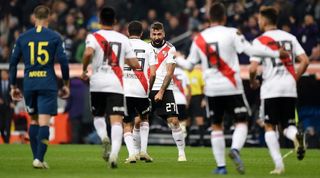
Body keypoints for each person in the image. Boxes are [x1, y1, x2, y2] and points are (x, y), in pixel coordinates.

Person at [175, 2, 289, 175]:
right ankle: (235, 149)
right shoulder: (232, 32)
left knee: (216, 126)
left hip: (212, 89)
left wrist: (175, 58)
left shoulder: (199, 38)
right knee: (242, 122)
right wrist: (275, 53)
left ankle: (221, 167)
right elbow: (251, 50)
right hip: (232, 86)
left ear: (208, 18)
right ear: (224, 17)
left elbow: (189, 66)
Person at [249, 6, 309, 174]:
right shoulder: (290, 38)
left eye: (260, 19)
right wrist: (294, 78)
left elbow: (253, 68)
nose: (259, 22)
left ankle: (279, 166)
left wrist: (253, 82)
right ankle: (296, 135)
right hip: (289, 88)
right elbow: (305, 61)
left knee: (269, 126)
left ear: (265, 20)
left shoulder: (259, 40)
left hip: (271, 88)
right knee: (288, 125)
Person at [9, 5, 70, 169]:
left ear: (33, 18)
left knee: (34, 121)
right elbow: (63, 61)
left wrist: (13, 86)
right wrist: (65, 83)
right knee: (44, 123)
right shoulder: (55, 36)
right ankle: (39, 158)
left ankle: (37, 158)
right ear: (49, 17)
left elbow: (13, 64)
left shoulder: (23, 37)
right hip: (47, 84)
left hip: (29, 84)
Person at [81, 7, 140, 168]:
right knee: (116, 121)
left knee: (98, 117)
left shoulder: (93, 37)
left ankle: (103, 137)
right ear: (114, 21)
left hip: (97, 83)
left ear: (99, 21)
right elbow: (135, 64)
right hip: (116, 84)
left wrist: (84, 69)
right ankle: (114, 154)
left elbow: (87, 53)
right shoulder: (123, 38)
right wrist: (121, 61)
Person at [149, 22, 187, 162]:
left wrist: (161, 91)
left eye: (159, 34)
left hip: (164, 89)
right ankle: (137, 153)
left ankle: (181, 153)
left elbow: (170, 73)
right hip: (148, 89)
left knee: (174, 121)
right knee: (140, 121)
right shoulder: (146, 48)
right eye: (154, 34)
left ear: (163, 34)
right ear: (150, 34)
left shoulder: (170, 48)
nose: (157, 37)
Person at [123, 20, 156, 163]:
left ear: (128, 32)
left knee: (127, 123)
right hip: (141, 90)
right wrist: (149, 88)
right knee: (144, 120)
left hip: (125, 90)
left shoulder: (123, 45)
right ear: (142, 33)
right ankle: (143, 151)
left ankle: (131, 155)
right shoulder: (148, 47)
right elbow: (153, 73)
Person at [172, 66, 191, 139]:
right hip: (182, 100)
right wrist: (188, 101)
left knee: (173, 120)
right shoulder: (184, 73)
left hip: (172, 99)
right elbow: (189, 89)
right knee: (183, 121)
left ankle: (177, 138)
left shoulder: (167, 71)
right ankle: (184, 137)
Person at [0, 70, 14, 144]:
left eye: (4, 74)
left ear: (7, 75)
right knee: (1, 126)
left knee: (8, 125)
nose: (3, 75)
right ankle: (5, 140)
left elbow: (17, 95)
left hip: (9, 108)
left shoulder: (12, 84)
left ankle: (7, 142)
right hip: (1, 108)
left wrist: (13, 103)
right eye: (1, 74)